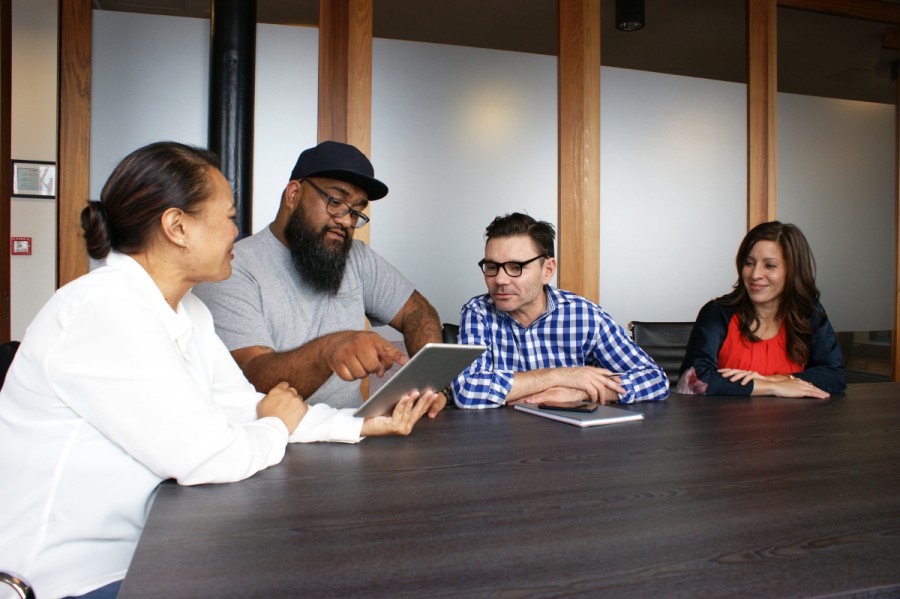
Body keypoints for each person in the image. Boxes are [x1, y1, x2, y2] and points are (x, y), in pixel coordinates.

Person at [0, 142, 439, 599]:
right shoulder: (103, 310)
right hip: (69, 581)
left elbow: (241, 405)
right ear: (177, 227)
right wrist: (275, 423)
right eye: (229, 216)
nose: (236, 232)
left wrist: (361, 425)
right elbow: (206, 455)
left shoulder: (187, 312)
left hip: (148, 556)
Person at [194, 141, 445, 412]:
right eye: (336, 202)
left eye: (356, 211)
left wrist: (428, 385)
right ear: (293, 194)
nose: (347, 221)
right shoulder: (232, 268)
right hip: (275, 440)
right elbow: (251, 378)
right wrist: (329, 350)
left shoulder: (356, 257)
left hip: (354, 436)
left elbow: (418, 312)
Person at [452, 212, 669, 408]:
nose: (499, 279)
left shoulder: (584, 315)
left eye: (515, 267)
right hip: (501, 441)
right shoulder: (478, 312)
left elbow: (654, 379)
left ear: (547, 271)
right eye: (492, 267)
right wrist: (560, 376)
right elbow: (467, 390)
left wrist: (579, 391)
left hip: (573, 445)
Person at [678, 221, 846, 397]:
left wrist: (775, 379)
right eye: (749, 263)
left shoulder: (808, 312)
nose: (755, 274)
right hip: (726, 422)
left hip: (794, 421)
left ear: (792, 271)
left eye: (769, 265)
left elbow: (834, 376)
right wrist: (771, 387)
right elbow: (692, 381)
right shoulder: (717, 313)